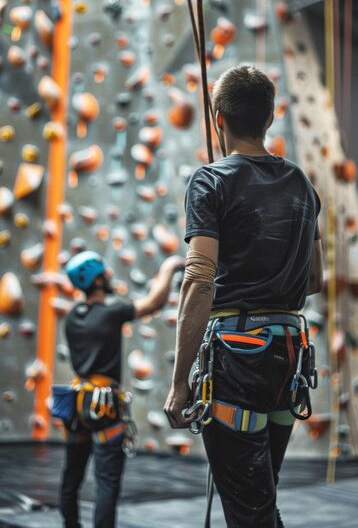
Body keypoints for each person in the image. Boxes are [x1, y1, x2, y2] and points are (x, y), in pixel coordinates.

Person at [164, 64, 323, 528]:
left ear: (218, 119)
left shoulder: (211, 181)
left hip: (237, 355)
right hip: (288, 357)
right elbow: (313, 280)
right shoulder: (302, 185)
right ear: (270, 118)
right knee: (259, 497)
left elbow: (198, 279)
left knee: (249, 508)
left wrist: (178, 383)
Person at [60, 250, 184, 528]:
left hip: (76, 402)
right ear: (99, 280)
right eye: (105, 273)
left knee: (71, 476)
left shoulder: (72, 317)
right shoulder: (110, 313)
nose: (110, 275)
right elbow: (154, 303)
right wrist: (170, 266)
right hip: (102, 404)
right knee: (107, 482)